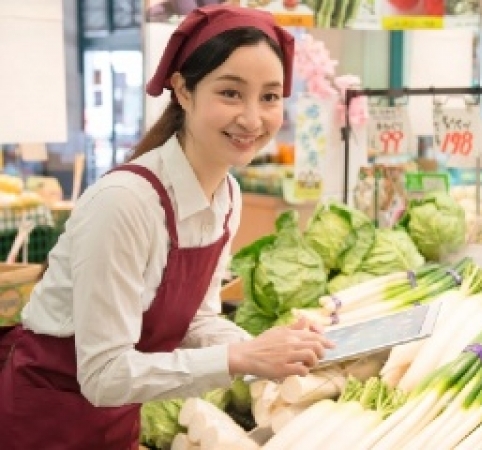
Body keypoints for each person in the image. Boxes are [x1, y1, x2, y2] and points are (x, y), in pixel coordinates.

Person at [0, 5, 333, 449]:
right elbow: (103, 375)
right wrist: (238, 357)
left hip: (117, 418)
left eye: (270, 97)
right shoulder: (125, 203)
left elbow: (197, 318)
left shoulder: (227, 196)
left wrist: (268, 349)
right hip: (44, 423)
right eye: (231, 93)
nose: (253, 119)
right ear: (183, 91)